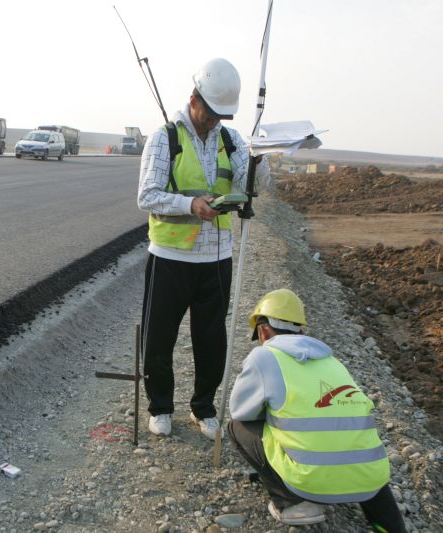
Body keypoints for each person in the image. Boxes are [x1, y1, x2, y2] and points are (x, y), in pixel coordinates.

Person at [137, 57, 270, 439]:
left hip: (216, 258)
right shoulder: (166, 137)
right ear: (194, 98)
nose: (213, 122)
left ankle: (204, 408)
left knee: (211, 339)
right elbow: (147, 195)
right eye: (210, 114)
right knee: (159, 338)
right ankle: (160, 407)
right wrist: (190, 205)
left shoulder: (230, 142)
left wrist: (261, 157)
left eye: (220, 117)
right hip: (170, 258)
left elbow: (261, 187)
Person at [227, 288, 406, 531]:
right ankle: (389, 525)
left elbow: (240, 411)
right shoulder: (332, 361)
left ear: (263, 329)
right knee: (356, 450)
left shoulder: (265, 356)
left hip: (311, 482)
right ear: (301, 329)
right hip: (371, 478)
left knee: (237, 427)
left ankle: (292, 503)